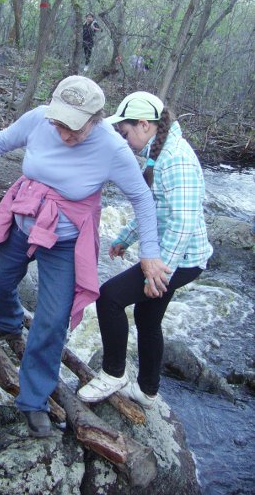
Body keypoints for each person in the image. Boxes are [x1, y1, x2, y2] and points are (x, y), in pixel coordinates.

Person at [0, 77, 170, 438]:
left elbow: (142, 200)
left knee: (52, 322)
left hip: (65, 242)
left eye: (75, 126)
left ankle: (33, 400)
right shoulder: (38, 119)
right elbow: (2, 141)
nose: (65, 133)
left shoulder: (113, 149)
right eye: (60, 123)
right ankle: (7, 320)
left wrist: (149, 254)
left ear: (96, 118)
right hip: (23, 222)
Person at [78, 91, 213, 409]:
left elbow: (182, 222)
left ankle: (113, 374)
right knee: (147, 316)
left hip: (181, 258)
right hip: (174, 255)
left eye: (124, 133)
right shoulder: (159, 152)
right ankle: (148, 391)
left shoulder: (176, 158)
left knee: (109, 297)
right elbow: (152, 207)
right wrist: (125, 237)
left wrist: (159, 271)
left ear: (143, 124)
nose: (123, 140)